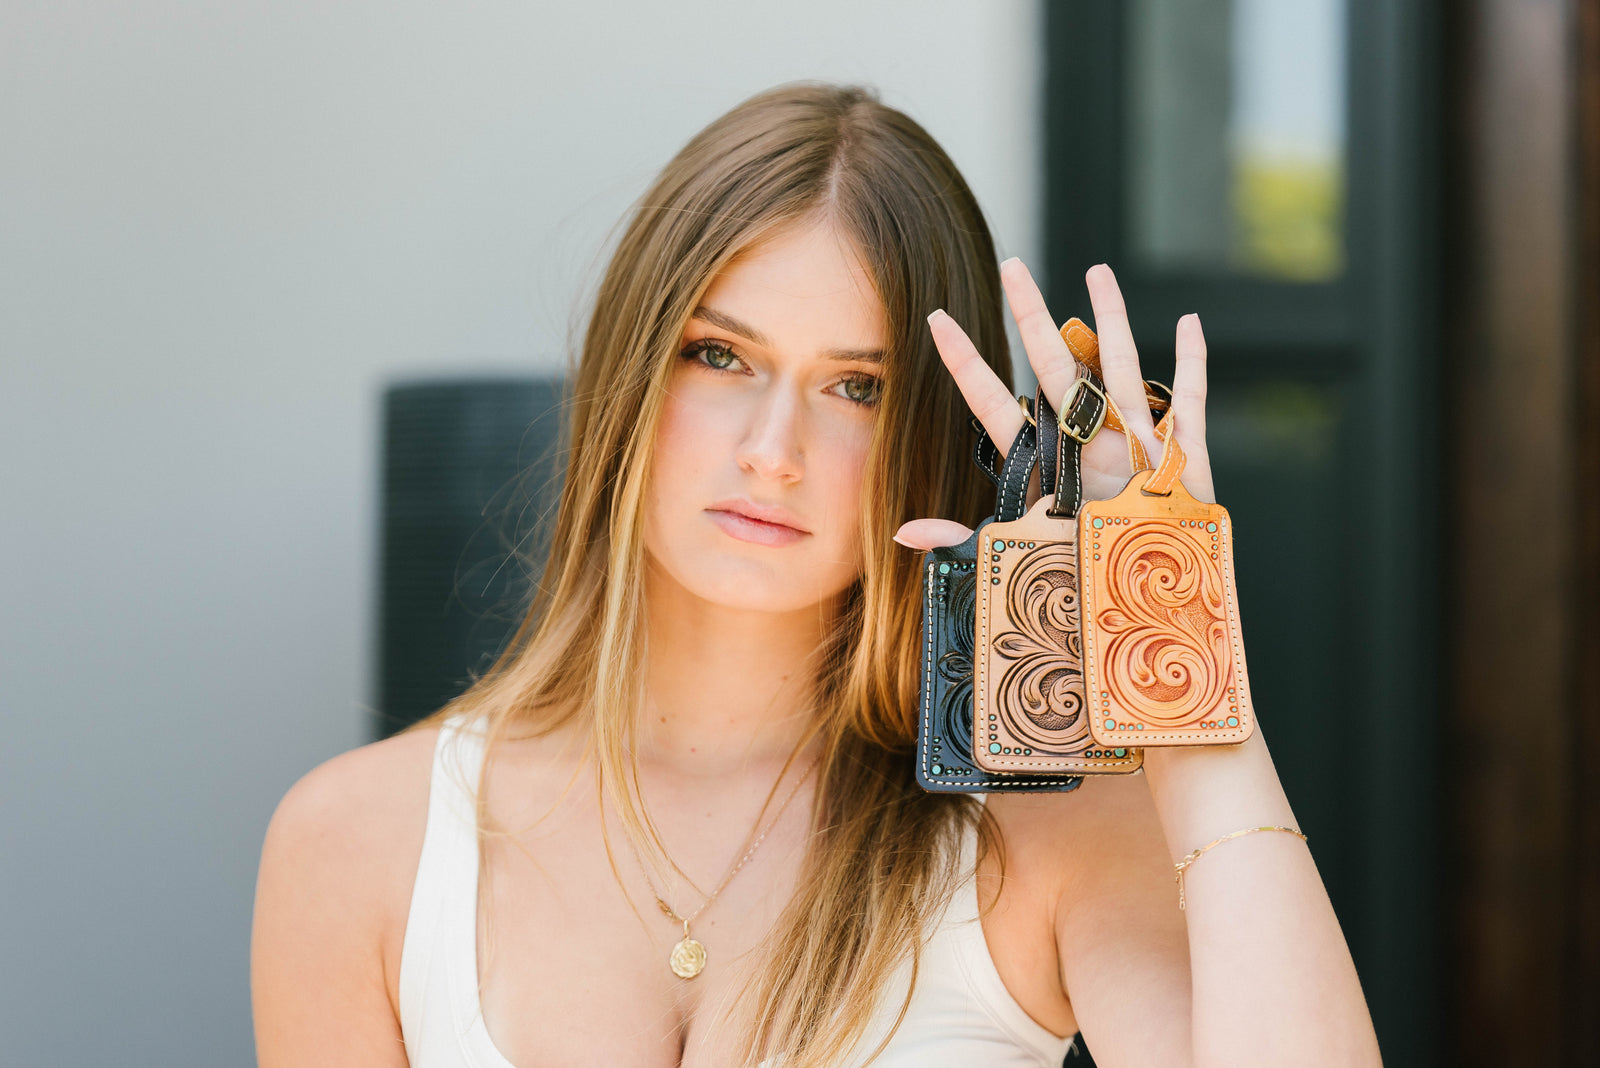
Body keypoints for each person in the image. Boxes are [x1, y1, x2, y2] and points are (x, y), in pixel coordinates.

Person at [250, 82, 1381, 1067]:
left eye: (857, 387)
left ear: (929, 436)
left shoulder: (1042, 828)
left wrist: (1170, 632)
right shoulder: (359, 842)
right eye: (720, 355)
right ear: (629, 375)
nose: (771, 449)